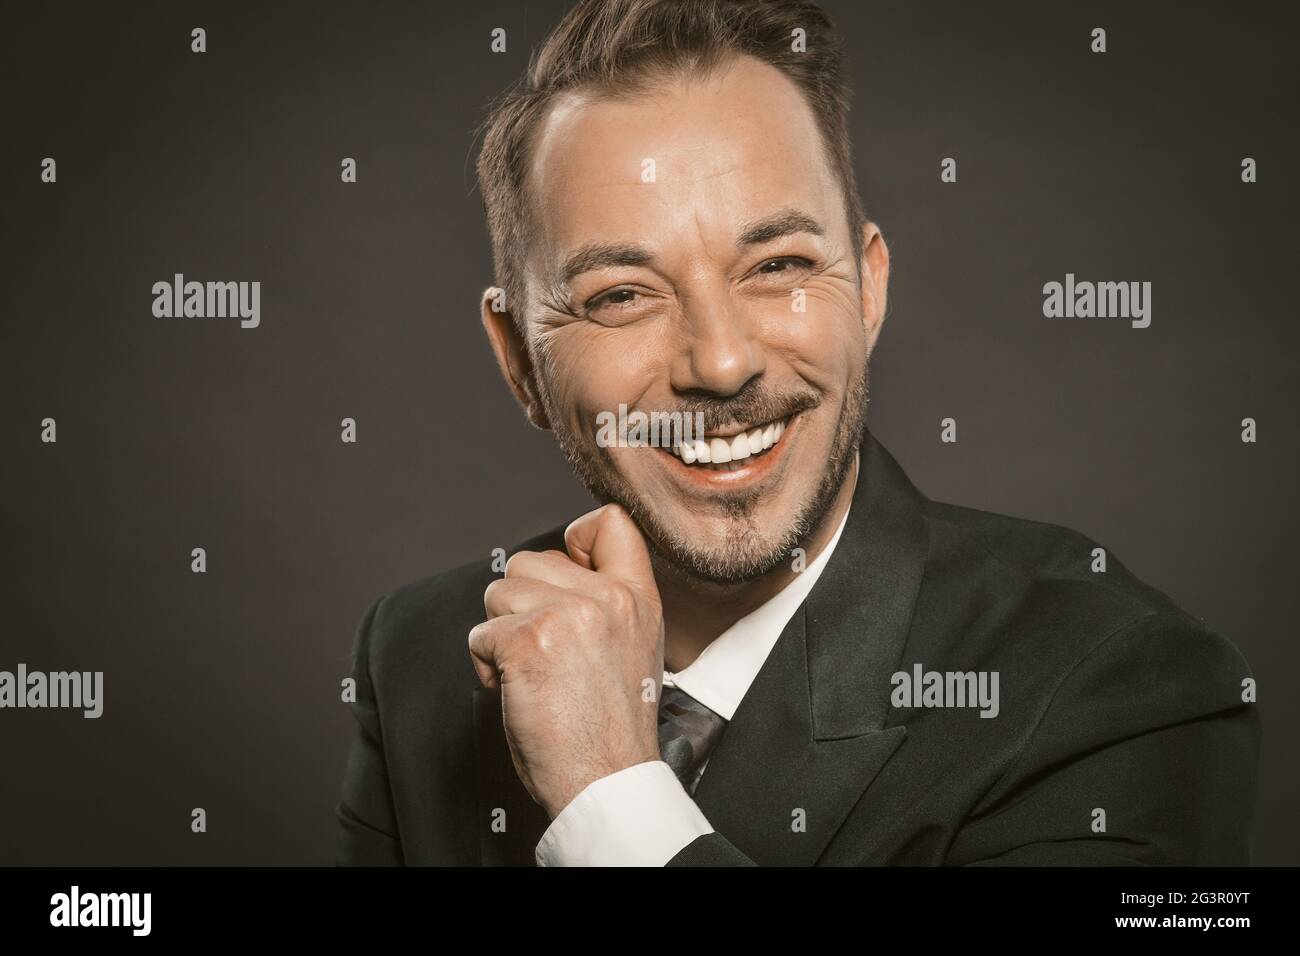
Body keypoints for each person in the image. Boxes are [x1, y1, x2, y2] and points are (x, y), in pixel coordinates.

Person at [334, 0, 1259, 866]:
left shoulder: (1120, 688)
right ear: (519, 362)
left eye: (777, 265)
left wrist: (608, 792)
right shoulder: (418, 656)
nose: (723, 362)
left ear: (869, 290)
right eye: (621, 294)